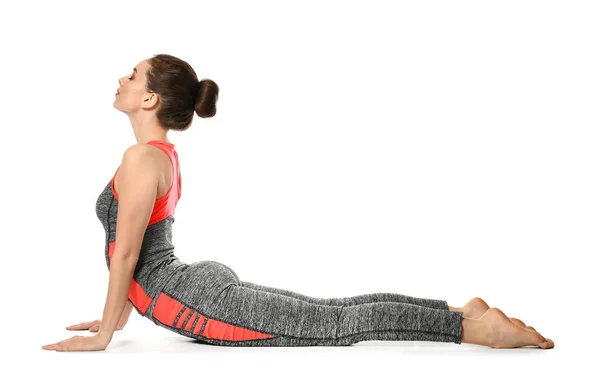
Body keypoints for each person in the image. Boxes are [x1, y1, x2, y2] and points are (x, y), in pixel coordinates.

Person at [42, 54, 554, 352]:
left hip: (193, 299)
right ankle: (457, 309)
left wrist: (105, 333)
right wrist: (120, 314)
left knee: (332, 326)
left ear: (150, 99)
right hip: (190, 283)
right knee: (327, 309)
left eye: (132, 75)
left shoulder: (139, 158)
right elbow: (137, 250)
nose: (122, 80)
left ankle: (471, 327)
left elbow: (130, 255)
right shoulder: (159, 156)